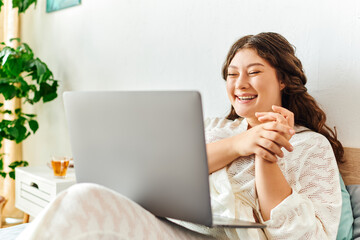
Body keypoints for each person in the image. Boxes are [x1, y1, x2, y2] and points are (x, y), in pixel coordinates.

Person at [17, 32, 345, 240]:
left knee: (82, 200)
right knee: (84, 206)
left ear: (284, 80)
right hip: (172, 222)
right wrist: (236, 143)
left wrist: (265, 153)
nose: (240, 83)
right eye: (231, 75)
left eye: (254, 72)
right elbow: (163, 169)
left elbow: (304, 237)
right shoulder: (215, 127)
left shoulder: (309, 147)